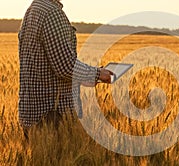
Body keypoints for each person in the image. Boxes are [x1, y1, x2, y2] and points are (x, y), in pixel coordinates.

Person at [18, 0, 113, 136]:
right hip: (53, 115)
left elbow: (47, 65)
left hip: (32, 113)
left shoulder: (34, 9)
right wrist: (98, 74)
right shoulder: (51, 13)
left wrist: (88, 77)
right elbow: (65, 67)